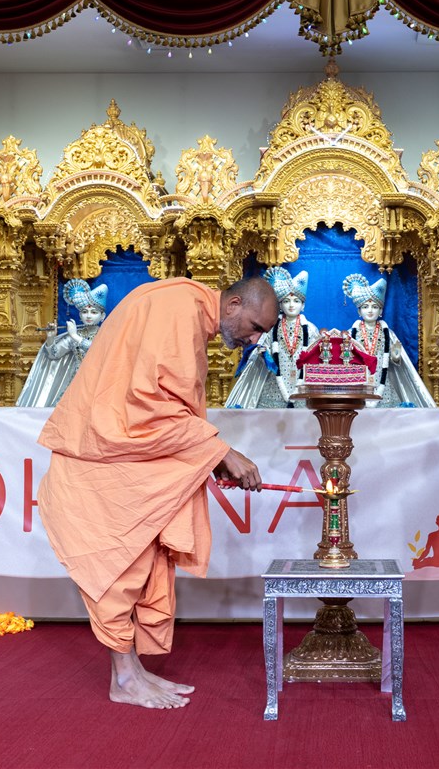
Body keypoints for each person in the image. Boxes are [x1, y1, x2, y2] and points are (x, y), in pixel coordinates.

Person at [35, 276, 279, 709]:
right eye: (255, 326)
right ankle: (124, 679)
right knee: (120, 563)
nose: (255, 339)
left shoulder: (184, 306)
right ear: (233, 304)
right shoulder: (179, 309)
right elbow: (149, 402)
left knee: (142, 557)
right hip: (106, 455)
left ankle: (130, 669)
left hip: (123, 451)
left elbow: (160, 404)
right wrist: (222, 452)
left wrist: (209, 458)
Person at [224, 267, 320, 408]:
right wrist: (262, 353)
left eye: (296, 301)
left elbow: (316, 354)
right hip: (274, 381)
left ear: (303, 305)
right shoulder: (271, 327)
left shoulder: (311, 329)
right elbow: (262, 346)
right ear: (280, 305)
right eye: (286, 301)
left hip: (301, 380)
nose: (291, 305)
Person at [342, 273, 436, 408]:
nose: (370, 311)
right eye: (365, 307)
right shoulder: (351, 334)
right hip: (359, 385)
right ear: (359, 311)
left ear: (380, 311)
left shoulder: (388, 333)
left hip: (384, 384)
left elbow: (395, 363)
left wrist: (395, 357)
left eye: (375, 307)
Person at [17, 279, 107, 407]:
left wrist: (75, 336)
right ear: (80, 315)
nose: (88, 316)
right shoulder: (75, 335)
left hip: (99, 383)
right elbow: (53, 354)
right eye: (84, 312)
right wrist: (50, 338)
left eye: (94, 312)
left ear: (102, 316)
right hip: (76, 383)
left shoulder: (106, 334)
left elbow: (97, 350)